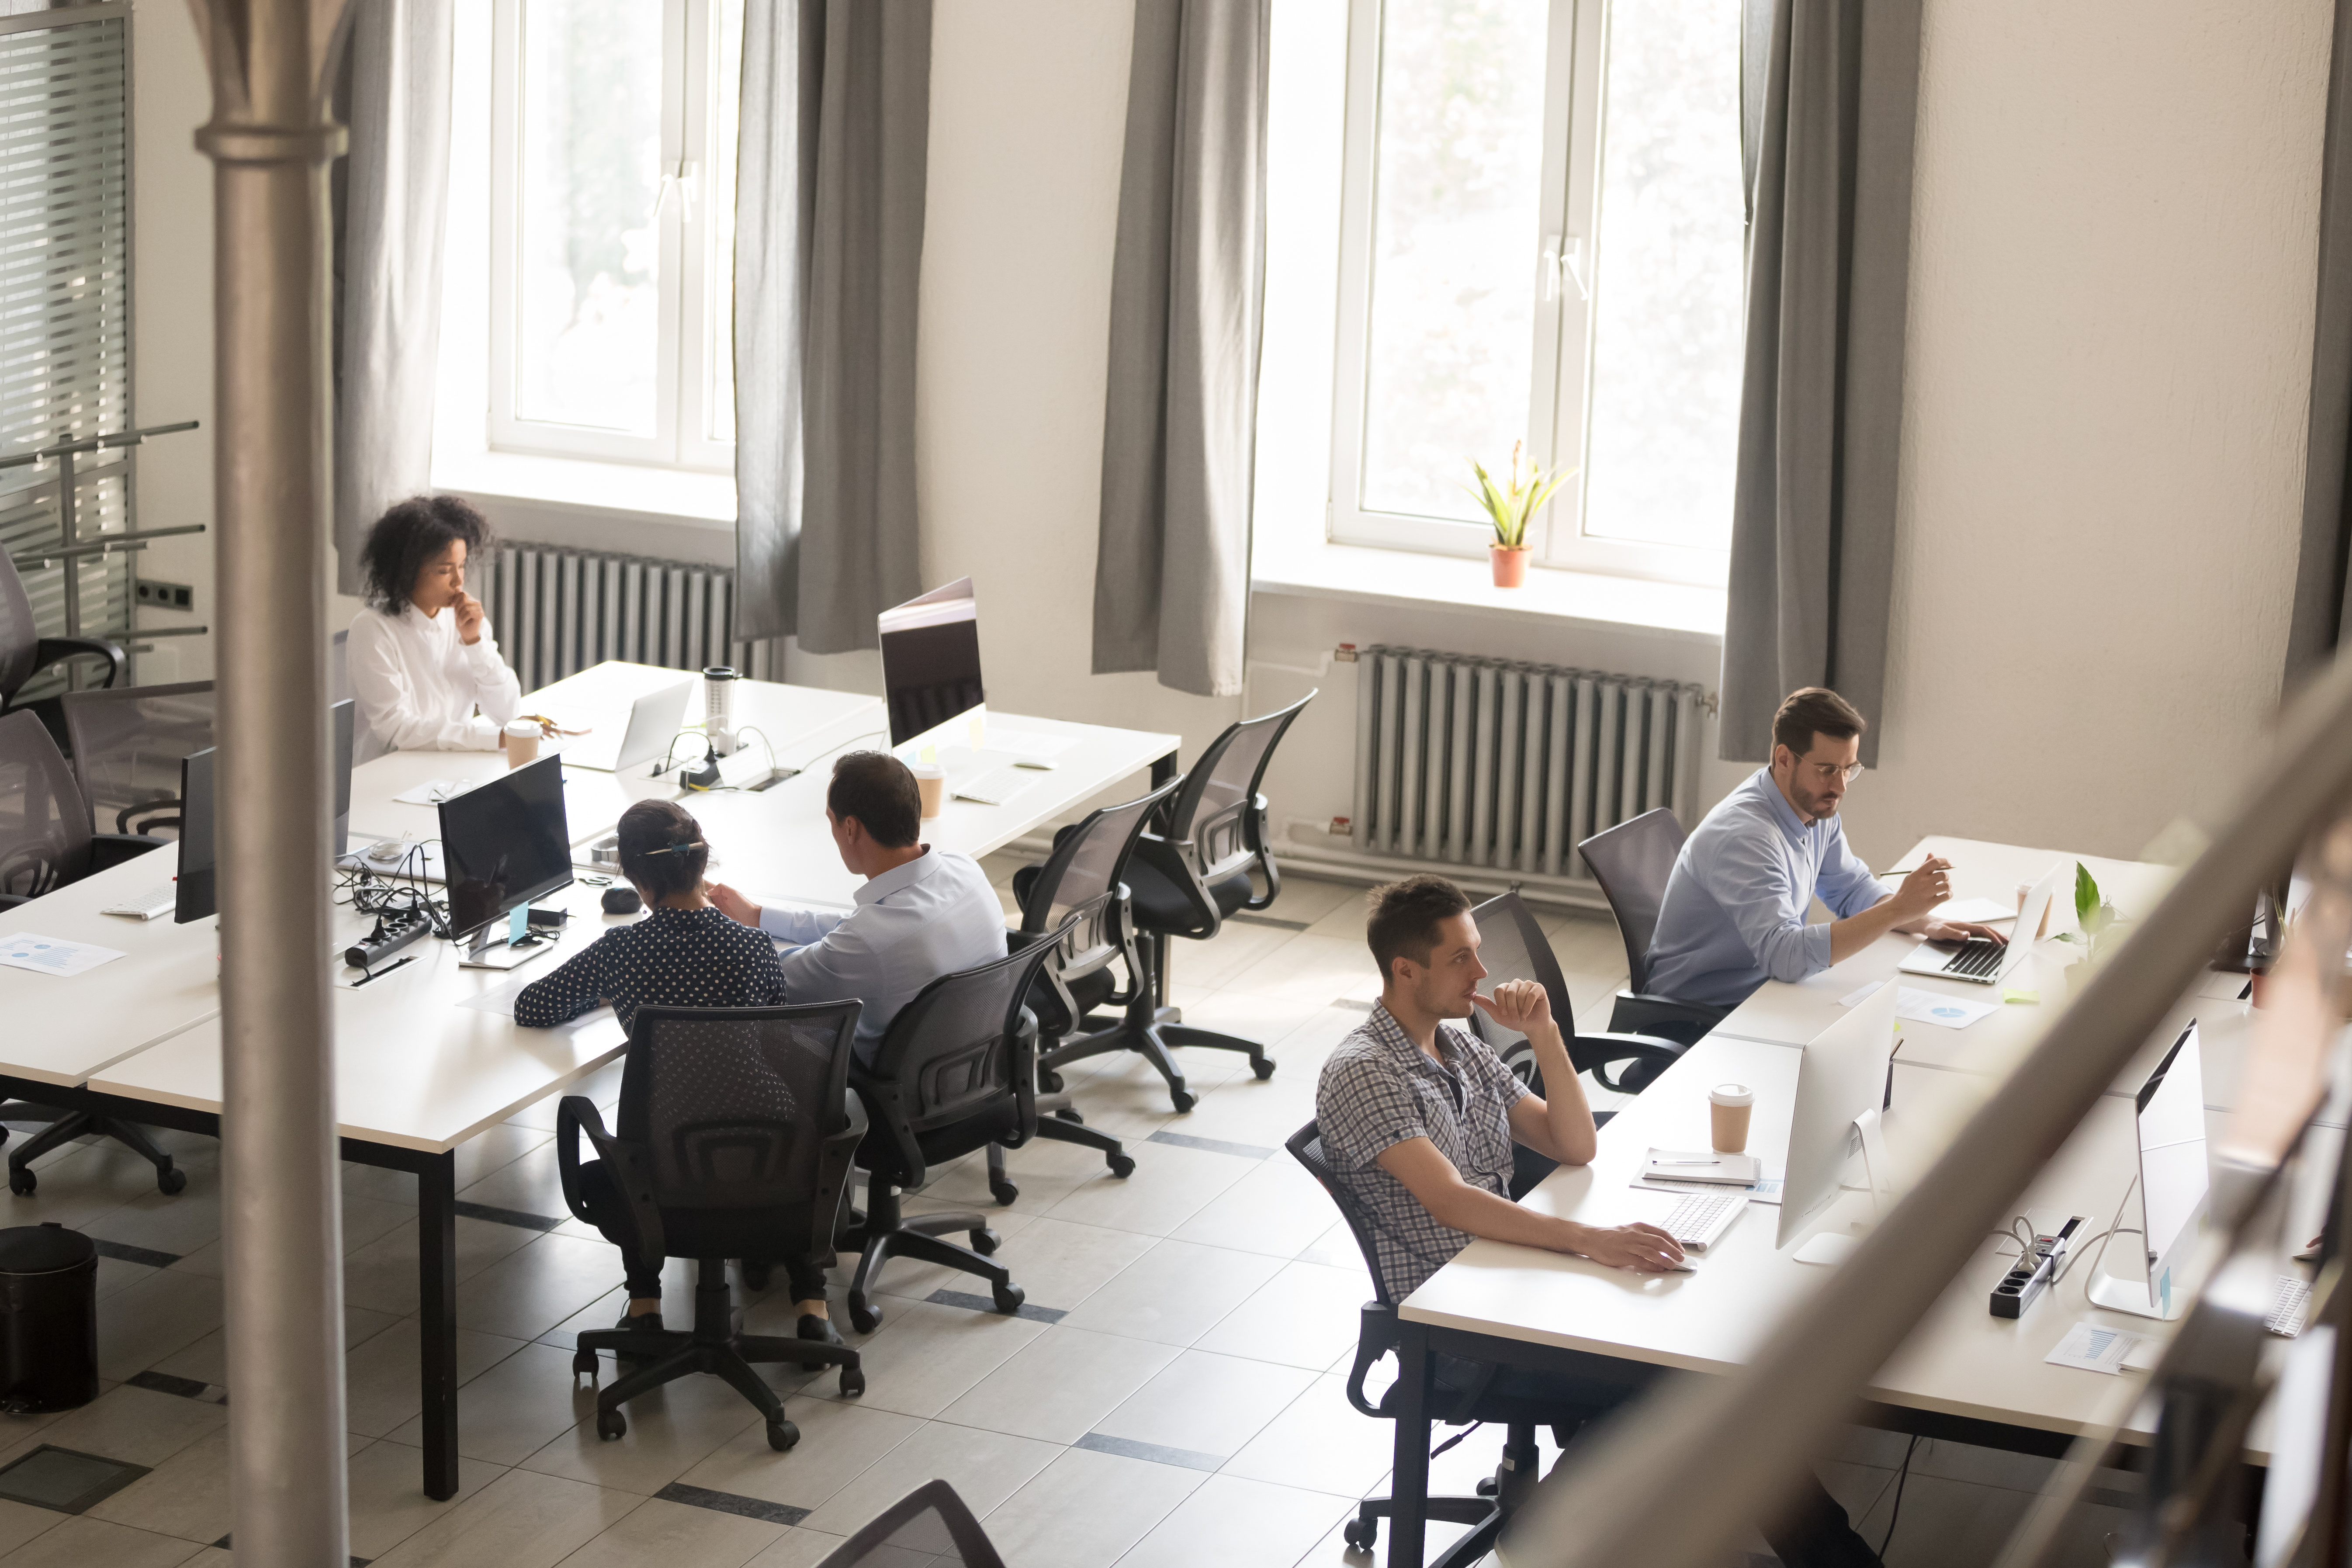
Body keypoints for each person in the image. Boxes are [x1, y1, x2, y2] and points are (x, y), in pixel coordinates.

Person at [1316, 874, 1883, 1568]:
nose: (1482, 971)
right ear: (1404, 970)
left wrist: (1546, 1034)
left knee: (1695, 1356)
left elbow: (1573, 1143)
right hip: (1459, 1325)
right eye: (1460, 957)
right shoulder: (1364, 1071)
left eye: (1478, 950)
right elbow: (1451, 1201)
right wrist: (1589, 1240)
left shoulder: (1456, 1047)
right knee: (1692, 1380)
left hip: (1511, 1278)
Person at [513, 801, 838, 1344]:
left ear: (636, 878)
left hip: (664, 1169)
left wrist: (604, 993)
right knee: (785, 1110)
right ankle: (811, 1305)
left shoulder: (621, 951)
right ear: (701, 867)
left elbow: (534, 1007)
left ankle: (645, 1307)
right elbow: (780, 1045)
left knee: (632, 1142)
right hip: (772, 1160)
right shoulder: (754, 946)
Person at [1643, 687, 2007, 1011]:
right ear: (1784, 758)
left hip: (1763, 994)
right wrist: (1898, 909)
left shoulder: (1815, 808)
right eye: (1827, 769)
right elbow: (1785, 957)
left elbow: (1852, 890)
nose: (1841, 786)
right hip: (1700, 1014)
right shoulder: (1745, 837)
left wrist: (1927, 922)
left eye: (1849, 769)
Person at [708, 751, 1007, 1063]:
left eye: (831, 820)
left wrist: (700, 919)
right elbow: (858, 929)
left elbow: (766, 979)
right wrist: (758, 916)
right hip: (974, 1059)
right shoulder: (966, 869)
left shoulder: (871, 943)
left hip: (882, 1085)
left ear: (850, 828)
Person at [346, 495, 527, 765]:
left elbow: (509, 712)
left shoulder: (466, 623)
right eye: (445, 571)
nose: (459, 580)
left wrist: (475, 643)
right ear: (406, 572)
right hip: (388, 773)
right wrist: (491, 738)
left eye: (462, 566)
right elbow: (396, 730)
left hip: (452, 769)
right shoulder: (373, 629)